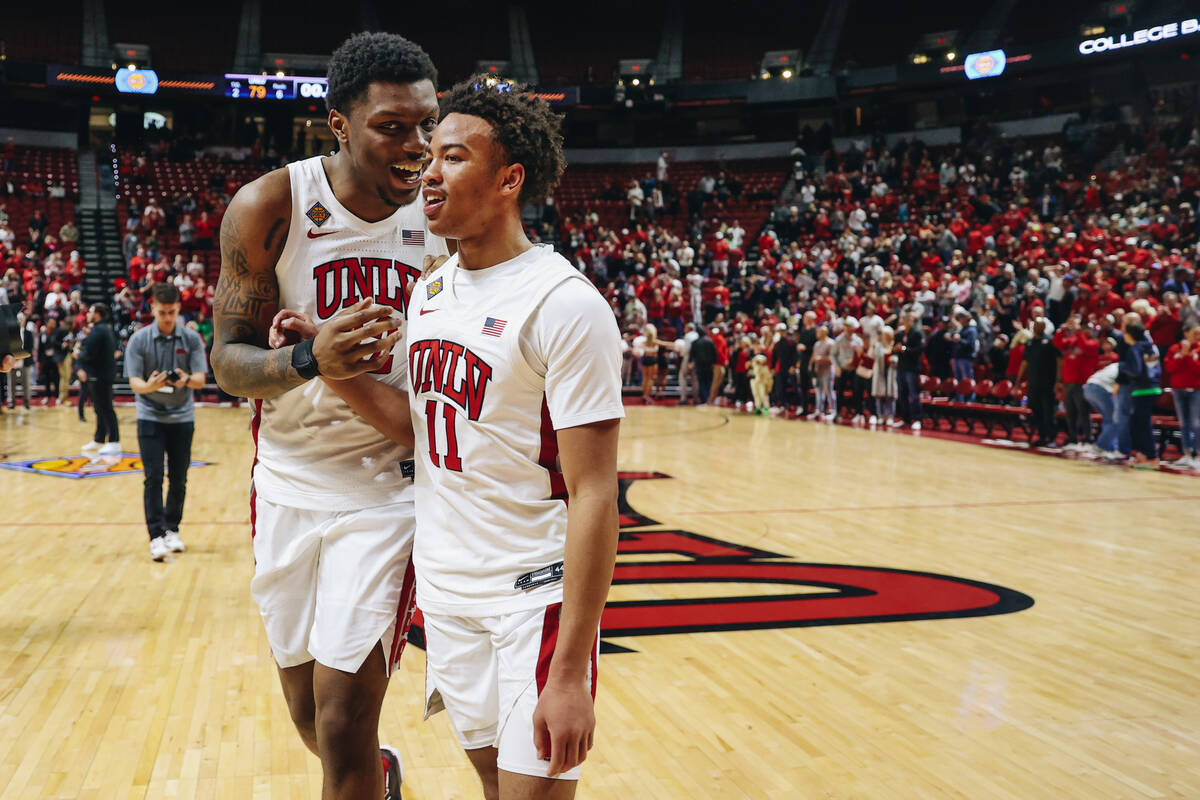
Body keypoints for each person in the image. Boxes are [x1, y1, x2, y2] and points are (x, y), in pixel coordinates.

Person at [301, 75, 623, 799]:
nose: (429, 172)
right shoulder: (431, 290)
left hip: (533, 598)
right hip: (447, 594)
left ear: (509, 180)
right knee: (492, 782)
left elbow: (595, 493)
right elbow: (422, 429)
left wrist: (570, 671)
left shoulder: (565, 305)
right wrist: (331, 368)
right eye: (430, 157)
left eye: (453, 157)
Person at [209, 32, 447, 800]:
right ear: (339, 126)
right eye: (392, 127)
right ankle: (380, 775)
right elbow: (228, 364)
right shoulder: (271, 206)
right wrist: (311, 360)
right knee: (310, 716)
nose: (417, 146)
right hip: (287, 479)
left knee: (344, 721)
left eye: (427, 124)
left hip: (389, 489)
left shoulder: (446, 215)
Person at [124, 283, 208, 561]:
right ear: (153, 309)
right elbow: (135, 383)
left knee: (179, 478)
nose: (168, 318)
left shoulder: (192, 339)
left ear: (179, 309)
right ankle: (155, 535)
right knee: (153, 477)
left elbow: (200, 379)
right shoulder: (139, 340)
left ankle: (172, 529)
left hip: (182, 417)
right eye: (162, 313)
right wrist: (150, 386)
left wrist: (185, 379)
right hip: (149, 415)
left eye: (172, 312)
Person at [1117, 321, 1161, 467]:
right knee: (1140, 422)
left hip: (1142, 389)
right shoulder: (1151, 347)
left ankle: (1151, 456)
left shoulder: (1135, 348)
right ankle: (1144, 453)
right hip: (1153, 387)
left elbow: (1135, 370)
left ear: (1130, 334)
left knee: (1141, 424)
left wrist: (1123, 367)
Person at [77, 303, 120, 454]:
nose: (88, 314)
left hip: (101, 375)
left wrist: (79, 354)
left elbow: (88, 353)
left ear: (97, 314)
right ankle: (99, 439)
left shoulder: (99, 330)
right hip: (101, 374)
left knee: (106, 408)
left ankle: (114, 441)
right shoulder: (103, 329)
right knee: (100, 408)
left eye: (90, 312)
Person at [1018, 318, 1061, 448]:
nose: (1038, 327)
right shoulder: (1030, 342)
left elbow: (1059, 361)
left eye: (1040, 325)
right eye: (1036, 325)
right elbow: (1025, 362)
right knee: (1036, 410)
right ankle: (1041, 436)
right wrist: (1018, 380)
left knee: (1048, 411)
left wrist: (1058, 380)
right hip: (1033, 382)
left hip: (1048, 382)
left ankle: (1051, 437)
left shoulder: (1051, 341)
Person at [1164, 324, 1200, 468]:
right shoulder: (1174, 349)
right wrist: (1181, 355)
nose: (1198, 337)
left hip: (1196, 390)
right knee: (1184, 423)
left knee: (1196, 423)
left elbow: (1198, 369)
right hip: (1178, 390)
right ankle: (1186, 454)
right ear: (1186, 333)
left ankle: (1198, 455)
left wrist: (1189, 356)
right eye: (1195, 333)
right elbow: (1169, 367)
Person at [894, 312, 924, 430]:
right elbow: (895, 347)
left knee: (914, 394)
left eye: (909, 320)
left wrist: (905, 349)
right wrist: (896, 349)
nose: (907, 322)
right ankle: (905, 418)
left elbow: (919, 350)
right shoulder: (900, 334)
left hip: (912, 368)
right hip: (901, 367)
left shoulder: (917, 334)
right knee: (902, 394)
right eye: (905, 320)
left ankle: (917, 419)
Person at [5, 310, 33, 410]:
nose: (20, 321)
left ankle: (27, 402)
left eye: (21, 319)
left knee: (26, 383)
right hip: (12, 361)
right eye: (18, 319)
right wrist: (13, 358)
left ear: (24, 321)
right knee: (11, 383)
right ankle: (11, 402)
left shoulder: (28, 333)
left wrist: (21, 356)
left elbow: (30, 348)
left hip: (25, 361)